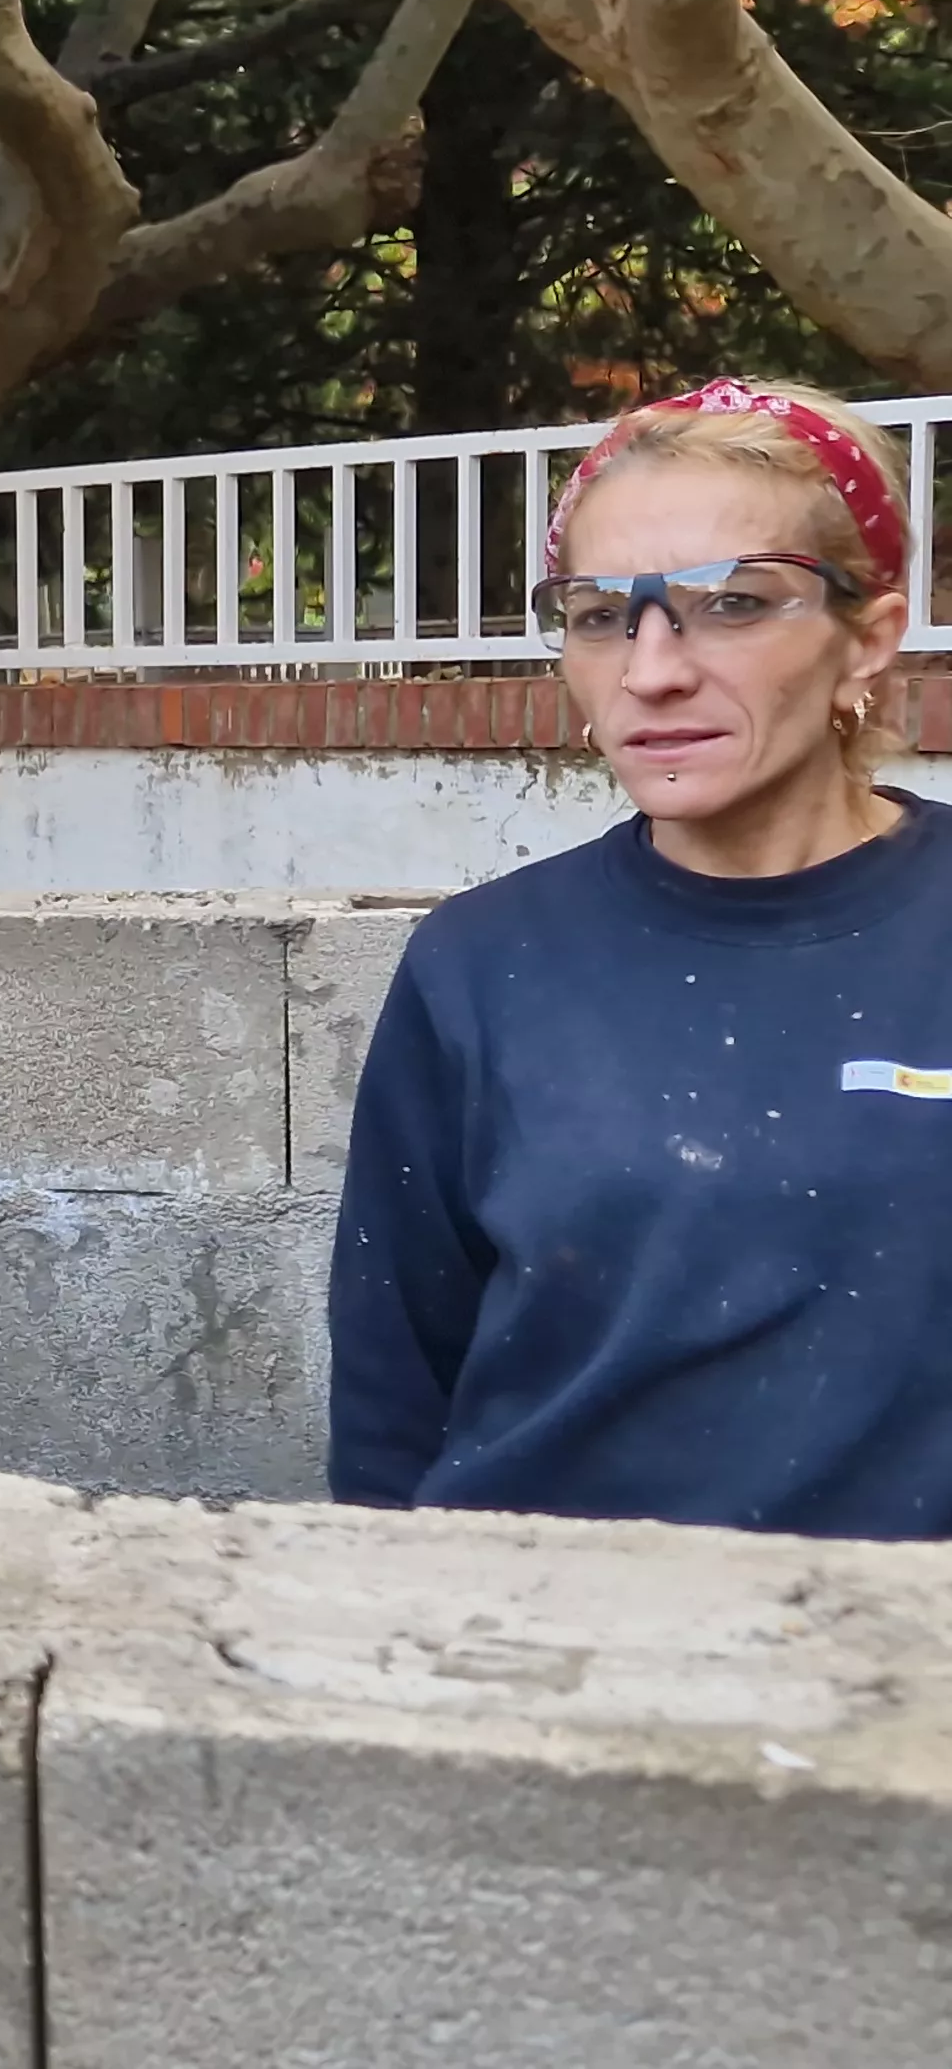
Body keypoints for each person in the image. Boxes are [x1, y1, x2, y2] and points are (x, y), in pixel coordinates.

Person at [329, 376, 952, 1535]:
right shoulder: (481, 965)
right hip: (556, 1659)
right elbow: (391, 1399)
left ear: (868, 636)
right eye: (602, 613)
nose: (652, 669)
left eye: (732, 603)